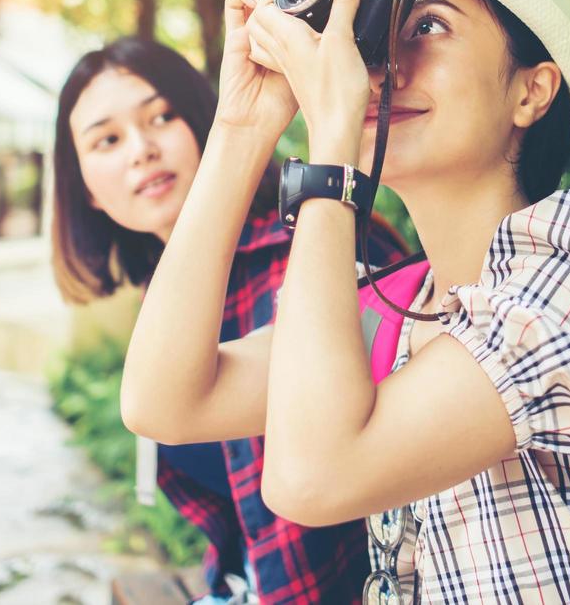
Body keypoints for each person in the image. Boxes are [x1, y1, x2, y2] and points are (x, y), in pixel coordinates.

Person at [121, 0, 570, 602]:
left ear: (531, 90)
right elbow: (163, 401)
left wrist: (330, 147)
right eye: (374, 39)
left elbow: (312, 478)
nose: (384, 69)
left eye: (429, 27)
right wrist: (242, 126)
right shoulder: (391, 312)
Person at [51, 37, 405, 604]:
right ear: (85, 190)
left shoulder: (315, 253)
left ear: (202, 122)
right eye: (108, 140)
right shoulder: (167, 295)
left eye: (161, 117)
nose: (141, 149)